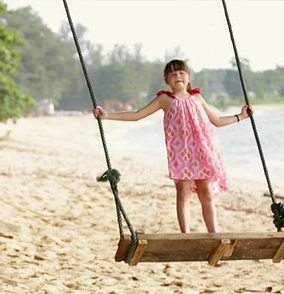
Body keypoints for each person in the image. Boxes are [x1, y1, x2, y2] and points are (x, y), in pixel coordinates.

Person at [92, 59, 252, 233]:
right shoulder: (164, 99)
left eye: (182, 73)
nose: (178, 76)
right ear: (166, 80)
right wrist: (107, 115)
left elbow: (218, 121)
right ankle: (186, 235)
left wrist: (241, 116)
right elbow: (138, 115)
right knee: (183, 195)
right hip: (181, 154)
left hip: (203, 151)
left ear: (189, 77)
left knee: (206, 193)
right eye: (173, 74)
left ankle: (214, 235)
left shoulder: (197, 98)